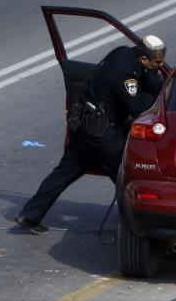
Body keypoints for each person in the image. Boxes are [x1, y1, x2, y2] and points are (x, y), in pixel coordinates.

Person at [16, 36, 167, 234]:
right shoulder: (125, 76)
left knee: (64, 172)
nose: (161, 65)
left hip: (85, 127)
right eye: (157, 62)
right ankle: (138, 229)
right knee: (128, 176)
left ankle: (30, 215)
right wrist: (162, 97)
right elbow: (137, 107)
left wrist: (159, 81)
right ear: (144, 59)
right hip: (102, 134)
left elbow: (145, 78)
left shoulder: (122, 53)